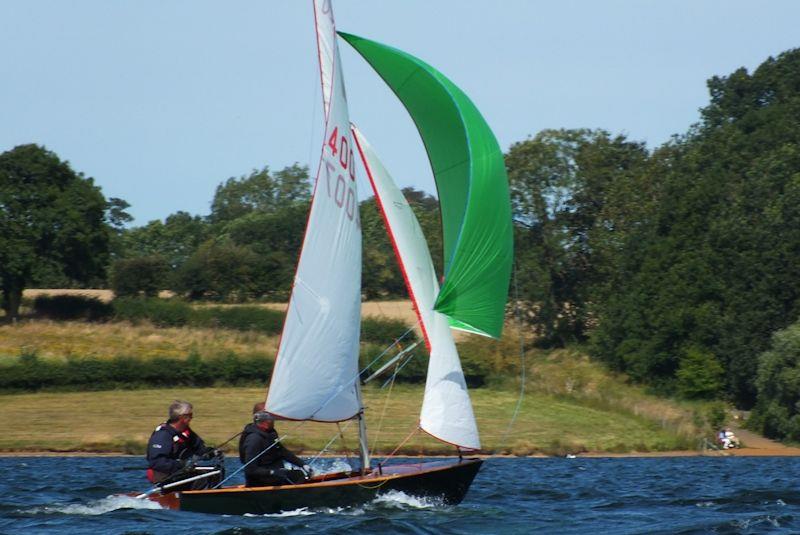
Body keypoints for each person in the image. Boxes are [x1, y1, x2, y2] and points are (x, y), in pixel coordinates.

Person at [146, 400, 219, 486]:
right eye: (190, 416)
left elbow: (199, 449)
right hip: (165, 477)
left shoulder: (186, 433)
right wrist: (182, 465)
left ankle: (213, 494)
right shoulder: (163, 435)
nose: (192, 418)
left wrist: (211, 453)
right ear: (182, 418)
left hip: (182, 474)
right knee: (203, 478)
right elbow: (157, 462)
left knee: (215, 472)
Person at [238, 402, 310, 487]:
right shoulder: (254, 439)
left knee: (299, 475)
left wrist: (302, 464)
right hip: (261, 482)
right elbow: (250, 469)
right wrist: (273, 472)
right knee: (297, 476)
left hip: (276, 477)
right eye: (271, 416)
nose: (274, 419)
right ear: (262, 418)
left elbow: (282, 452)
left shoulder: (270, 433)